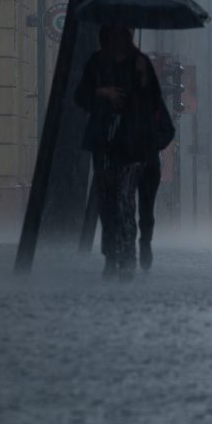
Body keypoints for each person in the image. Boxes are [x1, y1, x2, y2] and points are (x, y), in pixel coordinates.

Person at [75, 26, 163, 281]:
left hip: (131, 145)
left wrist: (143, 79)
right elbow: (80, 96)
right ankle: (111, 255)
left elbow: (153, 102)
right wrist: (102, 92)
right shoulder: (97, 62)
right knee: (106, 205)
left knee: (124, 203)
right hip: (105, 144)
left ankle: (126, 256)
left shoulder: (140, 62)